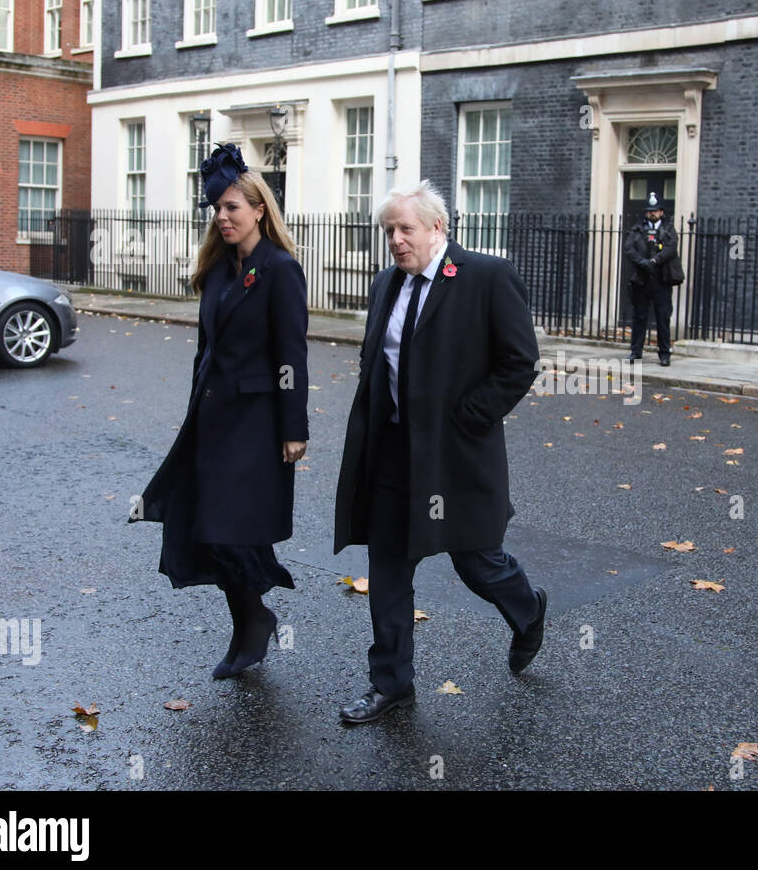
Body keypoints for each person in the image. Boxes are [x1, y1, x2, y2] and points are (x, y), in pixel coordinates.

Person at [332, 180, 546, 724]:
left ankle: (527, 611)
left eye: (405, 228)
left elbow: (519, 362)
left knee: (476, 562)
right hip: (394, 457)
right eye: (388, 231)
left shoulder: (485, 277)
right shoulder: (386, 284)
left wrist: (470, 416)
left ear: (437, 228)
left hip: (454, 458)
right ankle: (391, 683)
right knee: (388, 570)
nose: (396, 240)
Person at [132, 143, 309, 680]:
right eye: (217, 208)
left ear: (259, 209)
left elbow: (291, 353)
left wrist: (293, 426)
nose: (223, 217)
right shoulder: (215, 270)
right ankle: (250, 620)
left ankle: (253, 621)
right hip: (212, 419)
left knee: (232, 527)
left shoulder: (279, 269)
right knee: (207, 525)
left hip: (255, 424)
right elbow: (205, 349)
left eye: (233, 207)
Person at [623, 192, 680, 366]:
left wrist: (655, 260)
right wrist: (643, 262)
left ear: (662, 212)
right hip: (641, 280)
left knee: (663, 318)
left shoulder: (669, 229)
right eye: (650, 211)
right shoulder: (637, 228)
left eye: (656, 211)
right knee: (639, 317)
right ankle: (635, 352)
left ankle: (664, 354)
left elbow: (671, 248)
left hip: (661, 280)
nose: (652, 213)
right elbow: (628, 248)